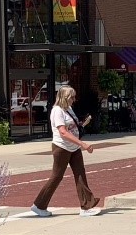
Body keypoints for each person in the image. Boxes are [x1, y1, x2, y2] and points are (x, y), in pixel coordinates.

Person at [32, 86, 102, 217]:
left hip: (73, 148)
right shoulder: (57, 111)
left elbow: (70, 126)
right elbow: (63, 132)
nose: (74, 100)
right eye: (72, 97)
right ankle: (39, 205)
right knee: (57, 176)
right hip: (61, 147)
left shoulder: (68, 109)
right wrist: (82, 144)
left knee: (80, 174)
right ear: (65, 97)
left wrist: (82, 124)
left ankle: (86, 206)